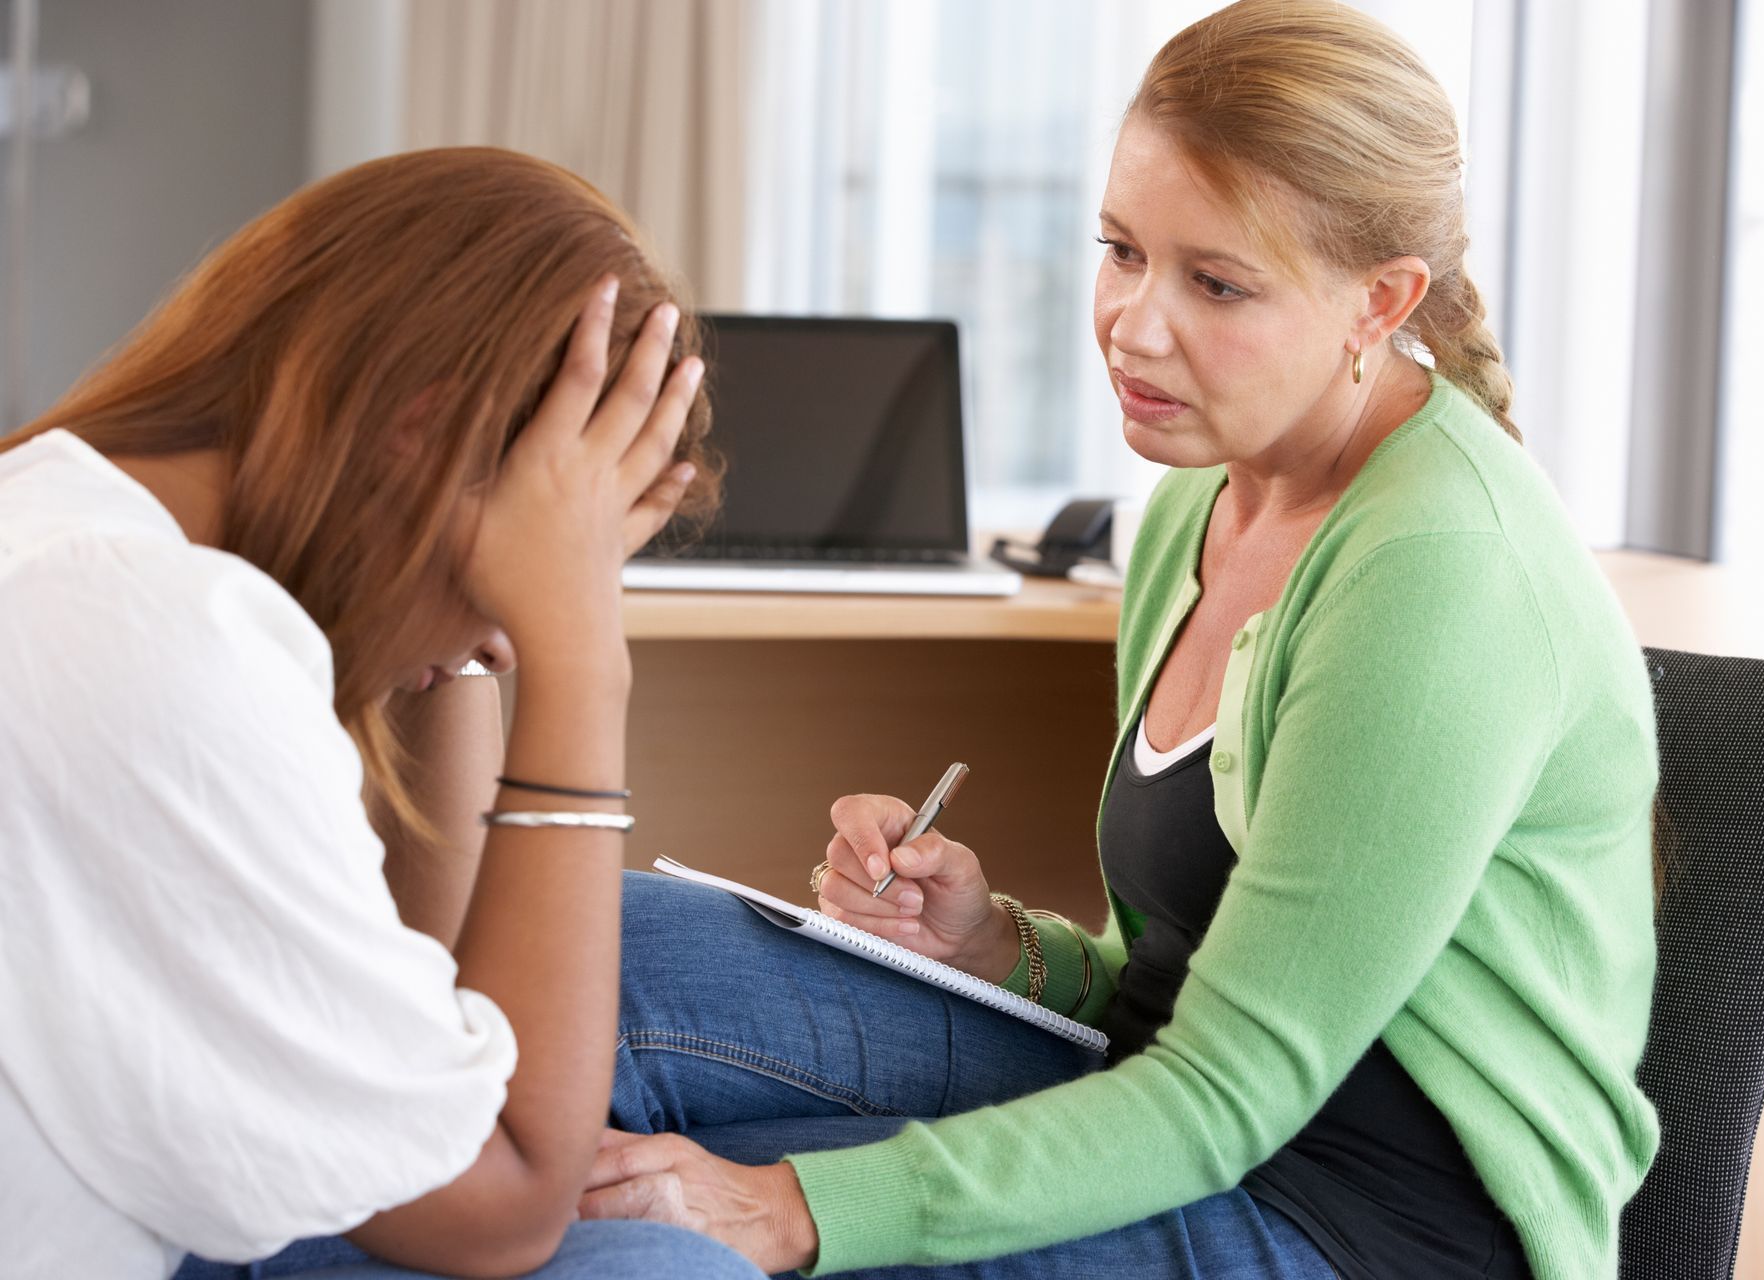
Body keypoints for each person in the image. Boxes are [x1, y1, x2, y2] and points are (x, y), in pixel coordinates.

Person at [577, 3, 1660, 1277]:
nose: (1134, 325)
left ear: (1382, 301)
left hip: (1367, 1221)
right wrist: (993, 944)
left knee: (665, 1239)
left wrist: (796, 1206)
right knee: (622, 955)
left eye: (1216, 283)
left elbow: (1230, 1085)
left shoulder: (1437, 572)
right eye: (1122, 250)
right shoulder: (1198, 500)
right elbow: (1171, 975)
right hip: (1180, 1095)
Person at [0, 148, 761, 1280]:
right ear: (422, 430)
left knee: (711, 1175)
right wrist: (577, 658)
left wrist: (465, 600)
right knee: (667, 1266)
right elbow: (502, 1205)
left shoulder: (79, 519)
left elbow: (424, 994)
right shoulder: (156, 639)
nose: (504, 637)